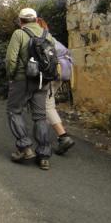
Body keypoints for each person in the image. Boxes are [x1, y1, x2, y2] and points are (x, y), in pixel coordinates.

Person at [5, 8, 53, 170]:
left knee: (14, 111)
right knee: (40, 116)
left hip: (22, 80)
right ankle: (44, 156)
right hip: (42, 81)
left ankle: (25, 148)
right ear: (35, 19)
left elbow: (11, 59)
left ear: (21, 20)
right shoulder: (47, 34)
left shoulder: (19, 34)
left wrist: (11, 76)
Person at [36, 18, 75, 155]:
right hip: (61, 74)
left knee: (47, 106)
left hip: (51, 76)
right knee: (48, 104)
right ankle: (45, 134)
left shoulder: (41, 40)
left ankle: (63, 137)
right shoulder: (52, 38)